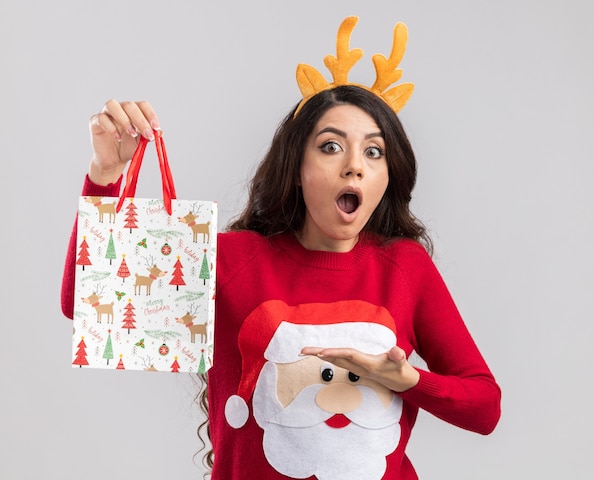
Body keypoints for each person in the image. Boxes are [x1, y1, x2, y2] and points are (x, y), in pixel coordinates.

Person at [61, 17, 500, 480]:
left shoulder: (406, 267)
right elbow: (86, 301)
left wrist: (406, 381)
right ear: (295, 168)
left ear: (387, 176)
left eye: (374, 152)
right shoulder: (234, 260)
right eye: (331, 147)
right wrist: (106, 175)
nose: (355, 166)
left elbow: (485, 408)